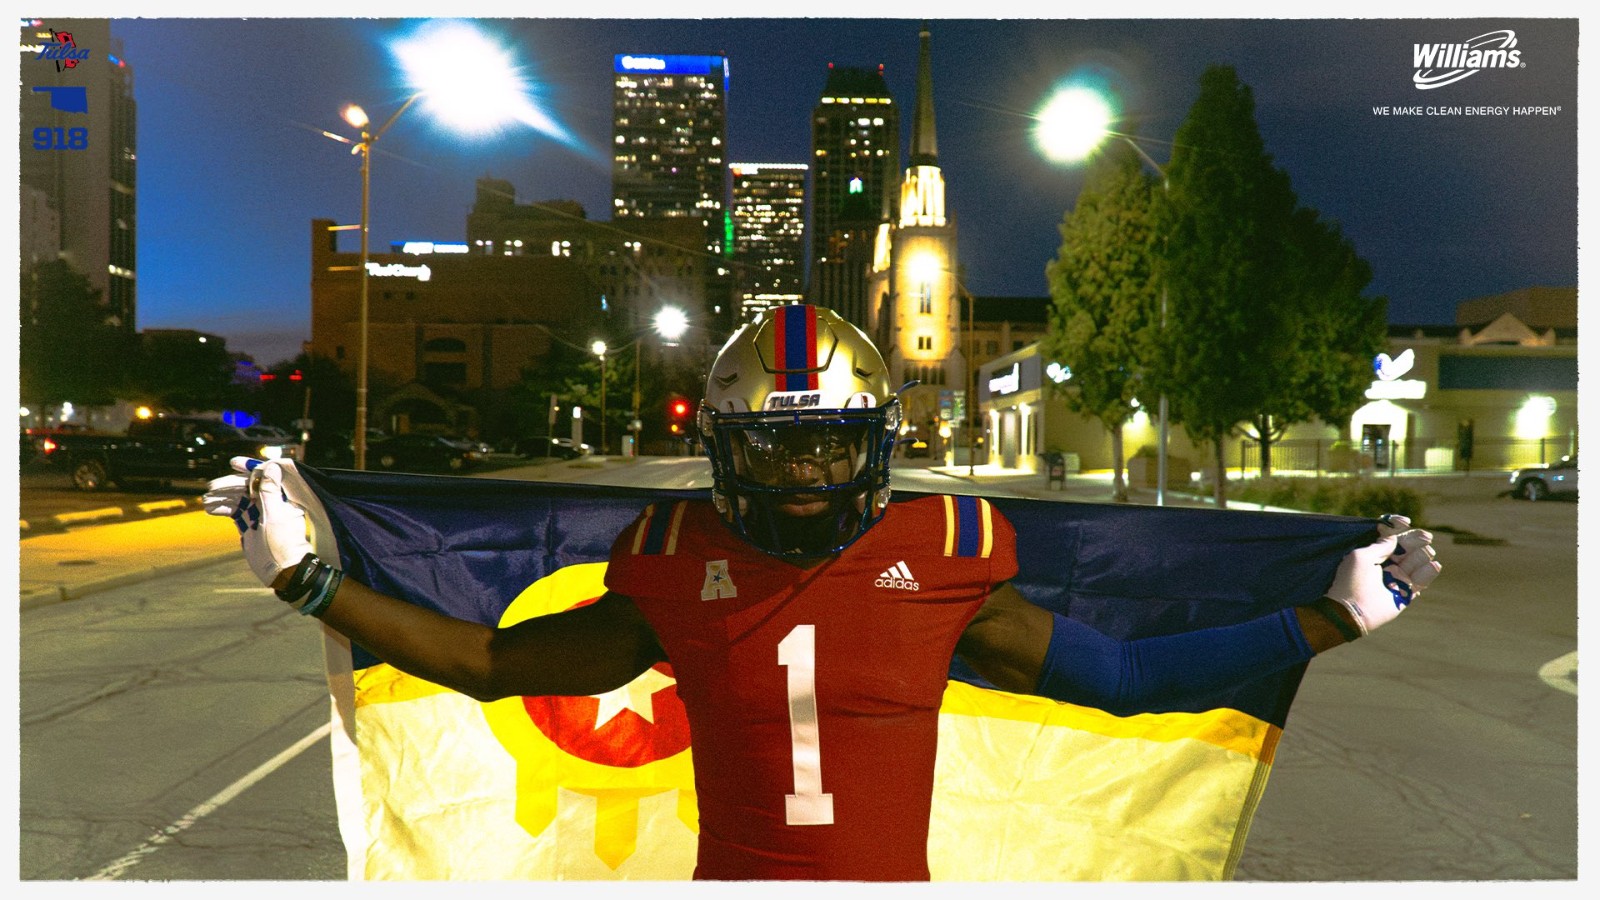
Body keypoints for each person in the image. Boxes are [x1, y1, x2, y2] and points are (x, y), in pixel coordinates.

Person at [204, 303, 1440, 882]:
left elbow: (1121, 679)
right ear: (724, 452)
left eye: (830, 446)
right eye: (777, 448)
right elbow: (491, 664)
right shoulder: (673, 559)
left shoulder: (947, 556)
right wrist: (311, 583)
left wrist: (1332, 617)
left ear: (875, 446)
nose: (805, 476)